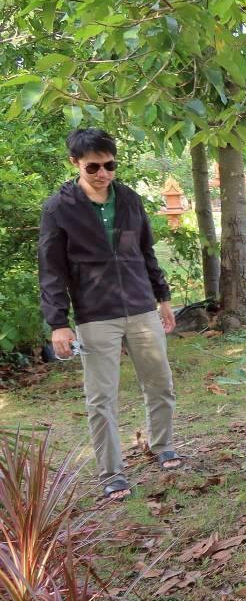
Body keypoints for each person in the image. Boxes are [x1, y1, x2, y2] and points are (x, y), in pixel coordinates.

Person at [38, 128, 181, 500]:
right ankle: (111, 472)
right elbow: (52, 270)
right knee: (101, 398)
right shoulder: (59, 209)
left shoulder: (130, 200)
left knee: (160, 384)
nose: (103, 173)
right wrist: (58, 323)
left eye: (110, 165)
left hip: (140, 307)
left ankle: (162, 444)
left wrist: (162, 299)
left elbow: (146, 252)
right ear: (75, 163)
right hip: (95, 314)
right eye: (94, 167)